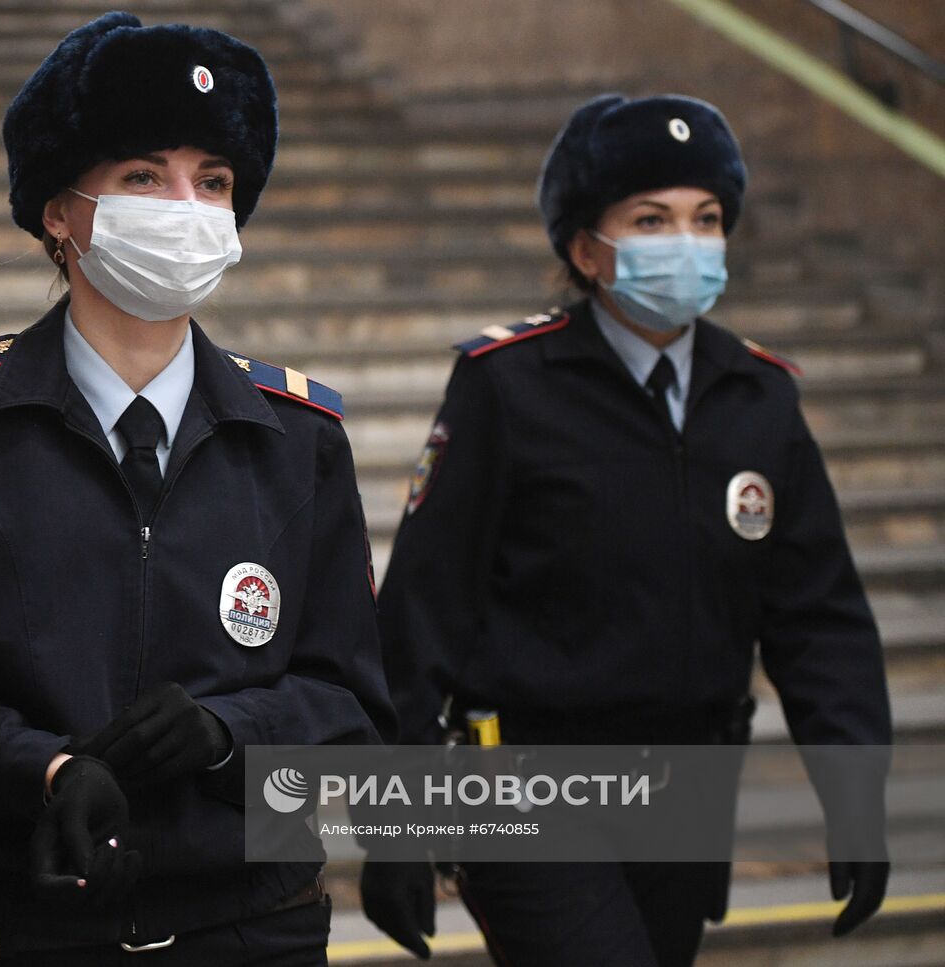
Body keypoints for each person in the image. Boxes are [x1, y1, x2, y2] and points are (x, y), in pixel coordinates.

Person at [0, 12, 393, 966]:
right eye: (144, 176)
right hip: (18, 925)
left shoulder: (299, 436)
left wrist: (229, 735)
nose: (185, 206)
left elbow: (349, 707)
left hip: (253, 924)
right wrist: (50, 771)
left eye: (214, 181)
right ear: (59, 213)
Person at [359, 94, 892, 966]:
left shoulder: (759, 398)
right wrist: (396, 821)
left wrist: (854, 791)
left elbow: (817, 614)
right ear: (584, 248)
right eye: (651, 218)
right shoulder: (508, 385)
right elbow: (424, 608)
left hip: (685, 790)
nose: (685, 240)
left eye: (706, 217)